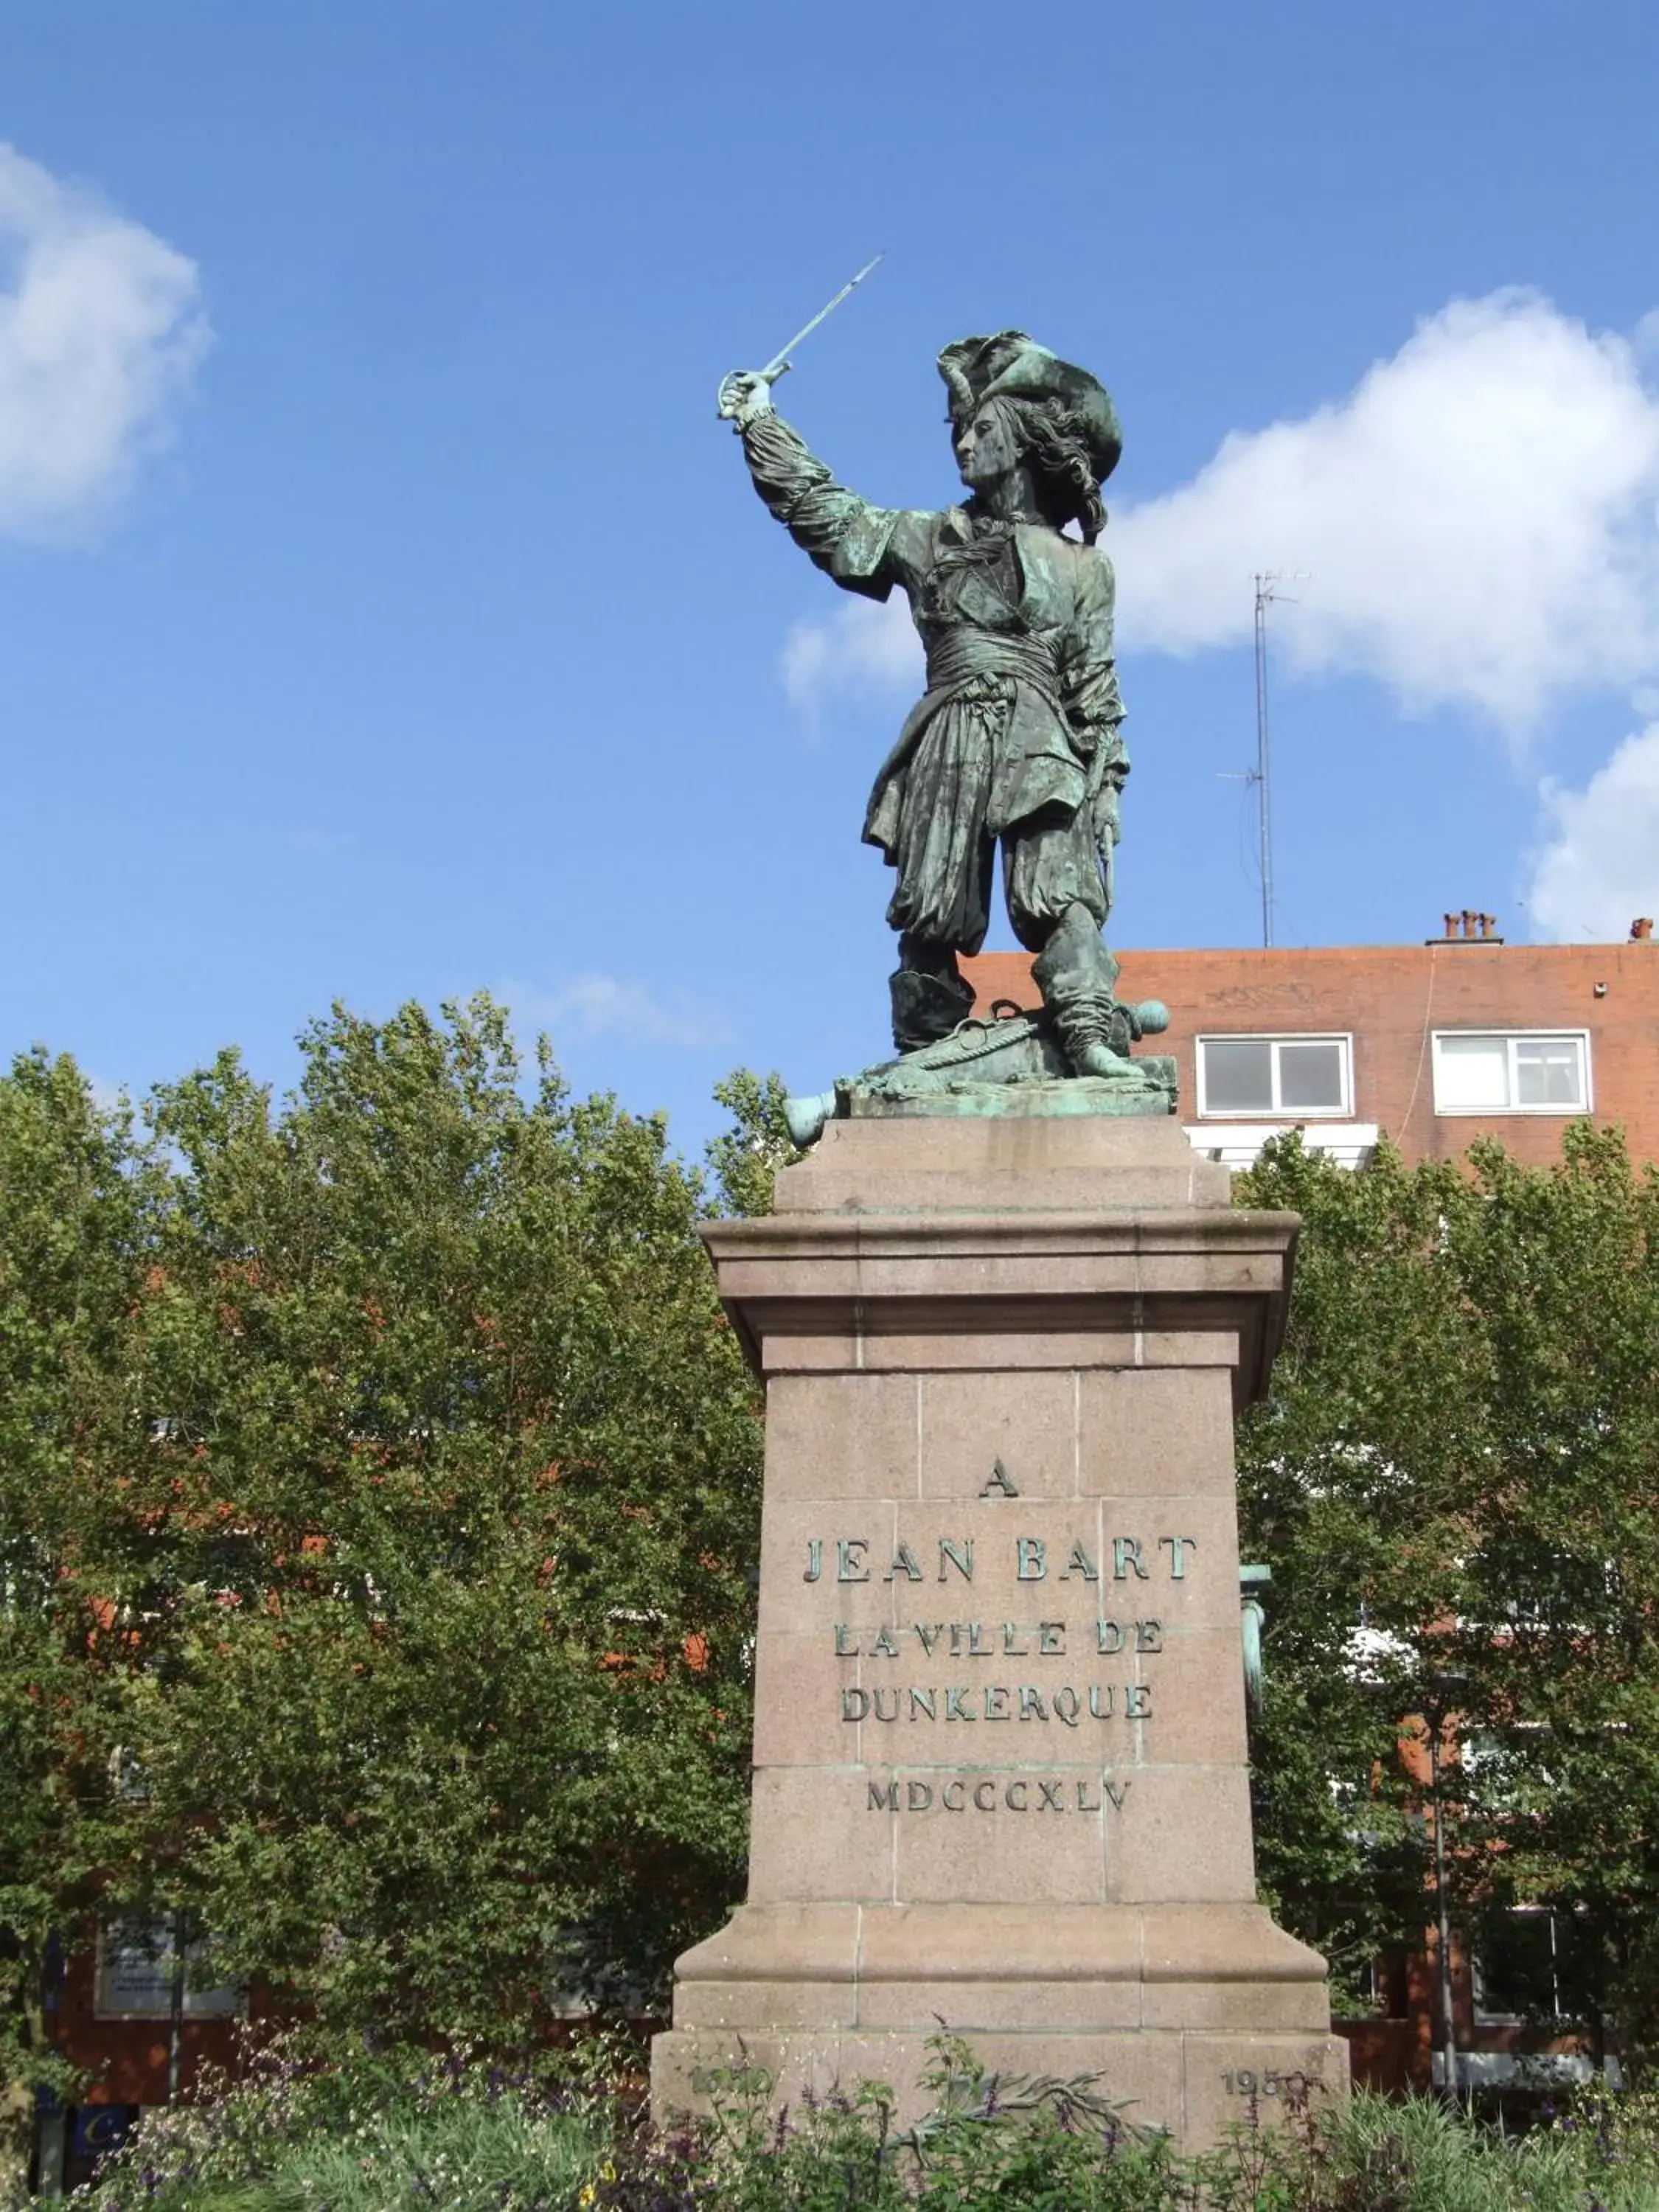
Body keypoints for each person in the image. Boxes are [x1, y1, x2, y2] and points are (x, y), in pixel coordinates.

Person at [722, 330, 1133, 1074]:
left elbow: (1096, 689)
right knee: (930, 903)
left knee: (1061, 885)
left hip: (1040, 733)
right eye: (959, 432)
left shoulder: (1084, 568)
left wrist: (1106, 784)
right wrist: (763, 426)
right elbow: (830, 517)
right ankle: (922, 1053)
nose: (963, 446)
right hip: (947, 731)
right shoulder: (924, 538)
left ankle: (1087, 1030)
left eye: (980, 428)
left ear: (1023, 438)